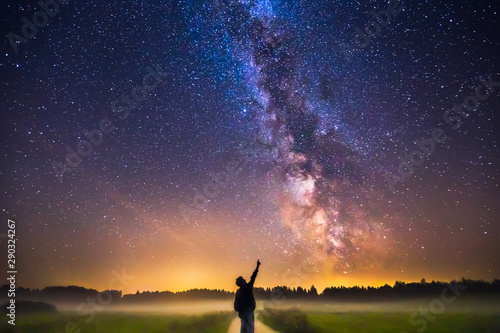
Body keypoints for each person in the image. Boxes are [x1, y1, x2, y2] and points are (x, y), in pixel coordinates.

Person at [234, 259, 261, 333]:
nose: (245, 280)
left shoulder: (238, 291)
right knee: (250, 329)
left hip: (242, 313)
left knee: (243, 329)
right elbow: (253, 277)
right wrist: (257, 266)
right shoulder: (248, 287)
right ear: (242, 282)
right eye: (243, 279)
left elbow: (236, 304)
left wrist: (240, 312)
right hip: (249, 312)